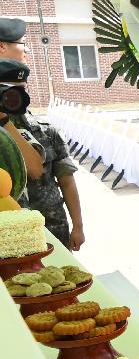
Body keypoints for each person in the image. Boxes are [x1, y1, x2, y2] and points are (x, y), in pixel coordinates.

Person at [0, 19, 84, 250]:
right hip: (10, 235)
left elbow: (50, 174)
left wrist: (78, 225)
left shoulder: (41, 128)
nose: (26, 49)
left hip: (52, 227)